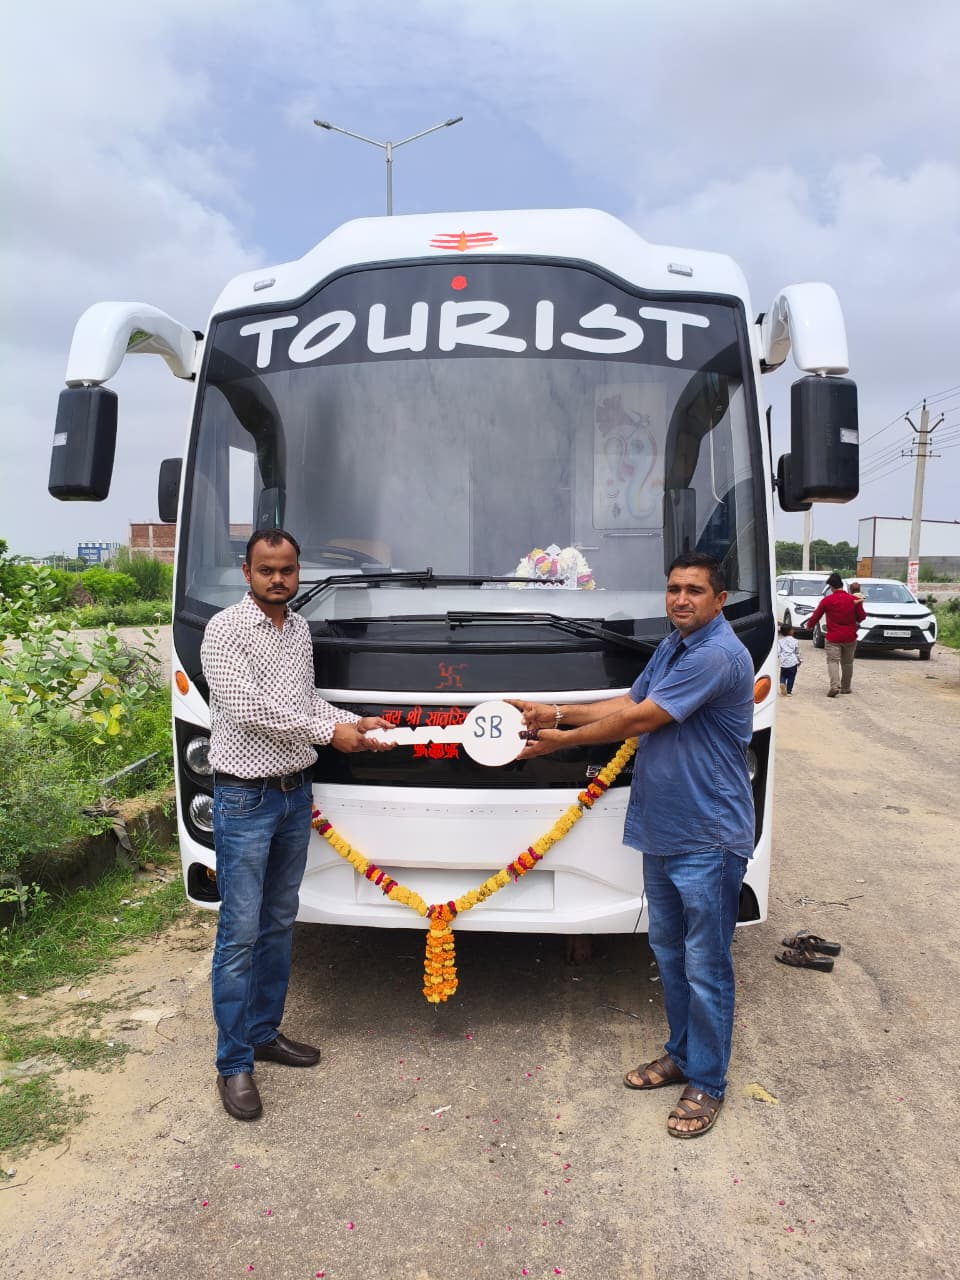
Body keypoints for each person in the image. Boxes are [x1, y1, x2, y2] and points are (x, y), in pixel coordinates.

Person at [514, 551, 754, 1138]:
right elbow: (627, 700)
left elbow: (641, 720)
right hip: (665, 829)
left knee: (706, 965)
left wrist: (557, 739)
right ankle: (682, 1055)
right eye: (673, 588)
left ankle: (708, 1081)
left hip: (708, 835)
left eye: (695, 590)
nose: (681, 599)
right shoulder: (674, 646)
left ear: (720, 600)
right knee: (669, 952)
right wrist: (556, 710)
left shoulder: (718, 655)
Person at [200, 528, 395, 1121]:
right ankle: (233, 1063)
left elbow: (305, 704)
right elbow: (248, 710)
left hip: (292, 797)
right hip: (244, 800)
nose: (278, 579)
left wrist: (355, 722)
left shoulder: (299, 630)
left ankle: (263, 1033)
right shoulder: (225, 630)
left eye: (287, 569)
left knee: (280, 922)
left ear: (297, 572)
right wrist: (330, 733)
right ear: (247, 572)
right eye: (267, 570)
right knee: (239, 934)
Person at [803, 571, 865, 697]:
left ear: (831, 587)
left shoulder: (827, 600)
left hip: (833, 638)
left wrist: (809, 626)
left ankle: (835, 686)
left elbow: (816, 616)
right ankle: (846, 688)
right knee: (847, 663)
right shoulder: (854, 599)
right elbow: (861, 617)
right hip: (850, 637)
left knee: (833, 661)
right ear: (842, 585)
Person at [777, 622, 801, 696]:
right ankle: (789, 691)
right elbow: (797, 652)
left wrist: (780, 658)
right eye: (792, 629)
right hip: (792, 662)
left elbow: (778, 652)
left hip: (784, 662)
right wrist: (799, 660)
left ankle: (782, 683)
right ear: (790, 631)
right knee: (791, 677)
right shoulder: (795, 641)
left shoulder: (780, 641)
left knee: (783, 675)